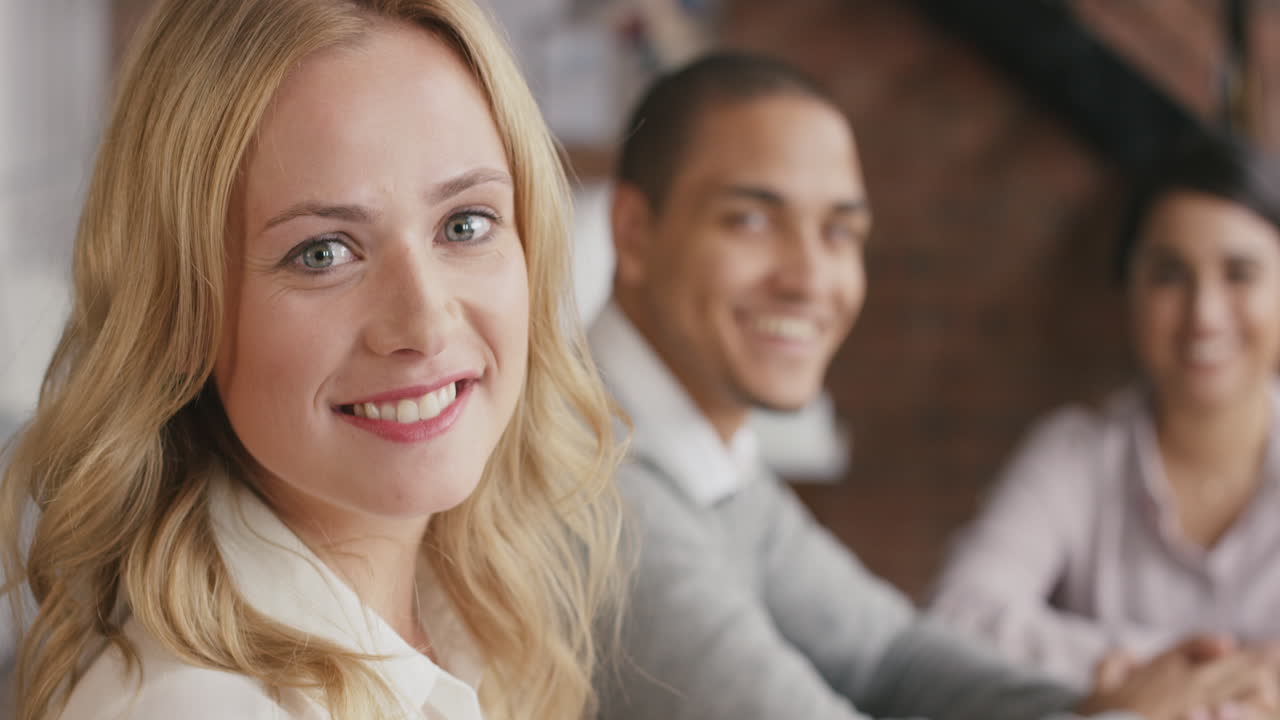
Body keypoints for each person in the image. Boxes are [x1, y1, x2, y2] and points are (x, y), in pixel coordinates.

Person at [590, 52, 1280, 720]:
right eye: (751, 219)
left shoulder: (705, 458)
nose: (808, 278)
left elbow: (890, 654)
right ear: (634, 232)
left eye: (839, 230)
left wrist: (1096, 704)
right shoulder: (595, 488)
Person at [0, 1, 622, 719]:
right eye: (322, 252)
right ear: (183, 311)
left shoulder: (457, 616)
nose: (423, 323)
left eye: (464, 224)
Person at [929, 133, 1280, 688]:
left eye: (1239, 275)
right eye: (1169, 275)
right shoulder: (1075, 454)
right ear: (1130, 291)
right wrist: (1191, 668)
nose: (1205, 315)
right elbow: (958, 617)